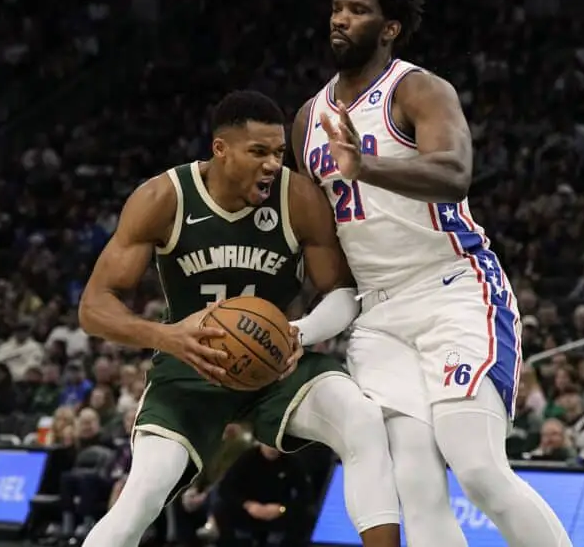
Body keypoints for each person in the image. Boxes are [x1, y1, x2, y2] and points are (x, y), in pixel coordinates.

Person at [290, 0, 571, 547]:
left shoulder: (418, 89)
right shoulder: (307, 120)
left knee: (479, 470)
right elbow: (323, 244)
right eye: (337, 8)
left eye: (358, 10)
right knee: (415, 483)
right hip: (377, 313)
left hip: (453, 289)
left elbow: (454, 173)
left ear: (389, 28)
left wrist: (365, 165)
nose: (340, 19)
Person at [79, 90, 400, 547]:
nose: (272, 164)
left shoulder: (297, 197)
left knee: (362, 418)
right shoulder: (163, 197)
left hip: (274, 361)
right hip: (191, 365)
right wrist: (166, 336)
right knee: (141, 497)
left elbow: (343, 292)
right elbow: (93, 307)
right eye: (259, 151)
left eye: (279, 152)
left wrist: (299, 333)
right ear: (221, 149)